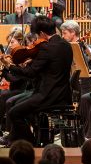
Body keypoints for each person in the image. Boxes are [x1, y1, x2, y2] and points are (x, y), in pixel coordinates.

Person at [3, 16, 73, 144]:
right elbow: (51, 69)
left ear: (42, 33)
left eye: (37, 35)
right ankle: (41, 138)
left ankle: (33, 144)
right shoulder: (67, 46)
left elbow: (30, 73)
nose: (37, 39)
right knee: (23, 108)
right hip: (64, 95)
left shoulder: (46, 48)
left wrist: (10, 66)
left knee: (14, 113)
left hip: (48, 96)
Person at [60, 20, 91, 96]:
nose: (62, 36)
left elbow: (88, 66)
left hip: (84, 86)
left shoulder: (87, 48)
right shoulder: (66, 47)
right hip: (69, 84)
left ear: (73, 32)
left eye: (64, 33)